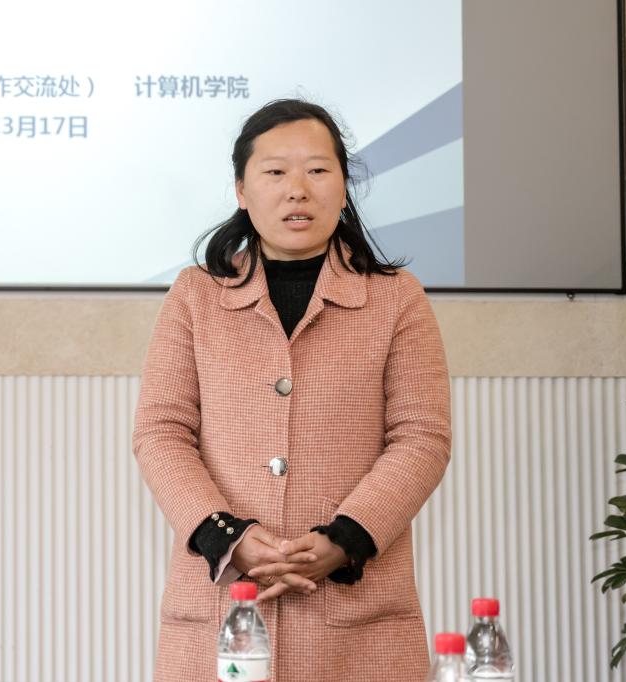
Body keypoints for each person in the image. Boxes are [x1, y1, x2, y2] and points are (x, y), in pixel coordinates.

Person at [132, 99, 452, 681]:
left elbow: (422, 438)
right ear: (242, 189)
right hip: (222, 605)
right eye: (275, 171)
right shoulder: (195, 295)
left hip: (356, 619)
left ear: (344, 187)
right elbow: (161, 432)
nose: (297, 189)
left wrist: (345, 538)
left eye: (318, 170)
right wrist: (226, 536)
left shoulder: (396, 298)